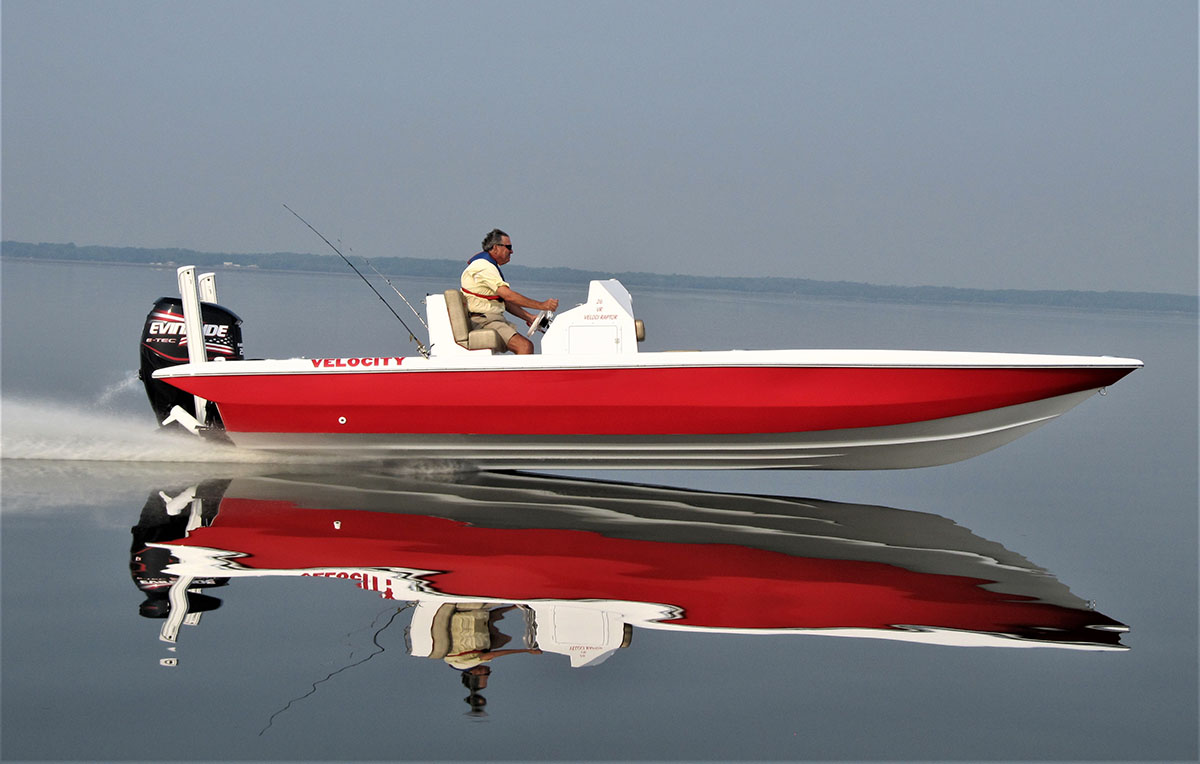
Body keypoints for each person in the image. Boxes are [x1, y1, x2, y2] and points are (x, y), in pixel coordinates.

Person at [461, 229, 559, 354]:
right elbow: (508, 296)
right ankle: (524, 374)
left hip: (492, 319)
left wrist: (529, 317)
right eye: (509, 247)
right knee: (525, 346)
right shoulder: (483, 266)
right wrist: (542, 305)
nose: (512, 251)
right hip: (484, 321)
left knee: (526, 345)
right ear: (496, 248)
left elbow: (504, 301)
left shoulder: (489, 266)